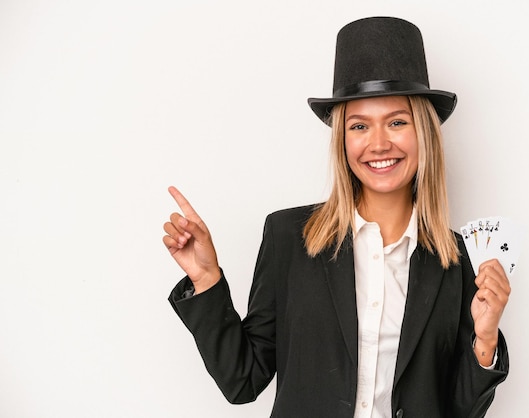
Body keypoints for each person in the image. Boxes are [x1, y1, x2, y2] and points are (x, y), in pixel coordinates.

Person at [163, 16, 510, 418]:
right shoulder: (289, 237)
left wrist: (485, 340)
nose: (378, 144)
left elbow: (458, 410)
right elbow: (243, 381)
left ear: (424, 134)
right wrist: (206, 281)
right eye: (359, 125)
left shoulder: (458, 260)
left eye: (397, 122)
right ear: (342, 140)